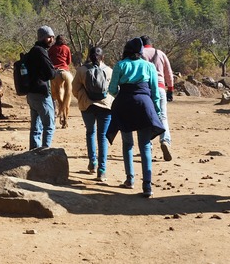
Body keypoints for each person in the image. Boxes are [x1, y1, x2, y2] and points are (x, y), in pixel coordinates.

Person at [106, 37, 164, 197]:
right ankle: (147, 186)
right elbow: (155, 92)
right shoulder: (149, 66)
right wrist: (156, 111)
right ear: (140, 52)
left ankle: (130, 180)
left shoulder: (120, 65)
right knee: (145, 145)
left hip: (124, 105)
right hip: (144, 105)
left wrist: (123, 95)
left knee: (127, 144)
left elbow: (111, 89)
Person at [72, 45, 113, 181]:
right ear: (103, 57)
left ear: (89, 57)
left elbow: (75, 89)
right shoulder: (109, 70)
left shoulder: (81, 70)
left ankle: (92, 163)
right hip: (105, 106)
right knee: (102, 136)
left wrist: (83, 99)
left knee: (90, 132)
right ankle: (102, 170)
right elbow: (114, 89)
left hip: (87, 106)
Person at [140, 36, 175, 161]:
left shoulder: (139, 54)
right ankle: (165, 140)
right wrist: (170, 89)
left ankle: (147, 146)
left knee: (146, 118)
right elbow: (168, 72)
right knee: (162, 116)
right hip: (160, 88)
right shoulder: (160, 53)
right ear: (151, 44)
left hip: (144, 89)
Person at [24, 26, 58, 149]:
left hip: (31, 94)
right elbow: (51, 74)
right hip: (42, 94)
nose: (51, 39)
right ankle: (45, 154)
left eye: (53, 37)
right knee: (49, 125)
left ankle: (33, 154)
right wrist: (54, 72)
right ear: (42, 37)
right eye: (49, 37)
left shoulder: (32, 51)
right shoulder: (41, 51)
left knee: (36, 127)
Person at [48, 34, 74, 129]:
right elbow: (68, 62)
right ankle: (65, 119)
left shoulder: (52, 48)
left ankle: (58, 116)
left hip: (55, 71)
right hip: (65, 70)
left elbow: (49, 60)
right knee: (67, 96)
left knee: (58, 96)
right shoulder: (66, 48)